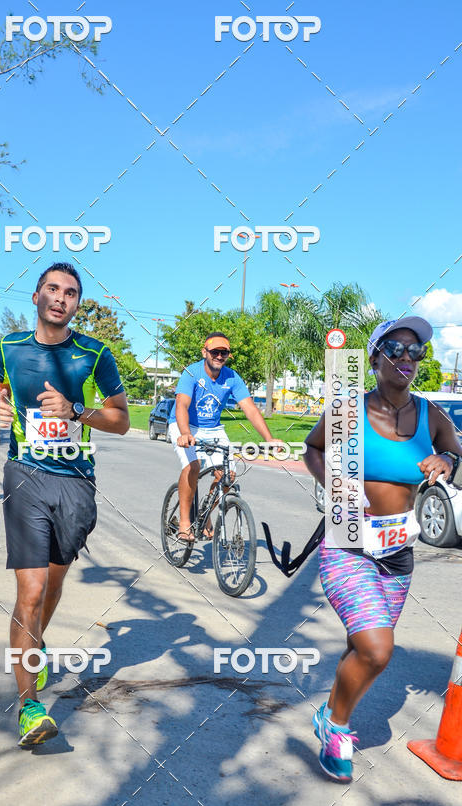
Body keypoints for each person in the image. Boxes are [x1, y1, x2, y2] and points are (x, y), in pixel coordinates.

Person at [304, 316, 462, 782]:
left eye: (417, 352)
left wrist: (446, 459)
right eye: (397, 349)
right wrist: (335, 484)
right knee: (377, 649)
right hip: (348, 545)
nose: (407, 359)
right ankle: (335, 725)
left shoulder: (429, 414)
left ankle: (333, 709)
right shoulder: (349, 409)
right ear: (375, 358)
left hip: (397, 553)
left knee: (363, 646)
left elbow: (457, 449)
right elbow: (314, 449)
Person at [0, 261, 129, 748]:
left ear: (76, 303)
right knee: (29, 593)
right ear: (36, 296)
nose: (60, 298)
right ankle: (30, 707)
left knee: (52, 587)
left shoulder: (95, 353)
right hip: (25, 475)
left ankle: (37, 644)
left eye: (70, 293)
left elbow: (121, 420)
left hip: (75, 481)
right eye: (52, 289)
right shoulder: (9, 347)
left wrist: (77, 409)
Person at [168, 332, 281, 542]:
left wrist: (269, 438)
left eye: (224, 352)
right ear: (205, 352)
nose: (219, 356)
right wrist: (185, 433)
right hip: (184, 424)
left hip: (213, 428)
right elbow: (182, 405)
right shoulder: (191, 374)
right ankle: (184, 523)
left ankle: (203, 516)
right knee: (193, 466)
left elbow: (250, 409)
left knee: (227, 475)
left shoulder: (232, 377)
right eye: (215, 352)